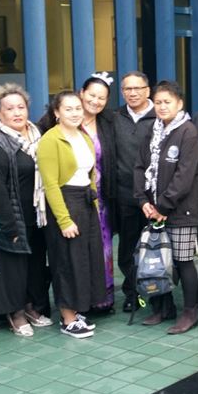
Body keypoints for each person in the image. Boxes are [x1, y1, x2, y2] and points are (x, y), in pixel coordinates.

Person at [0, 84, 53, 336]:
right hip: (11, 218)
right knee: (11, 268)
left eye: (20, 107)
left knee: (33, 266)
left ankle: (31, 306)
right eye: (9, 108)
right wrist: (8, 224)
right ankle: (15, 313)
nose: (16, 112)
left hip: (37, 215)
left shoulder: (38, 137)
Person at [135, 81, 198, 334]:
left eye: (167, 102)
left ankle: (190, 311)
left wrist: (162, 206)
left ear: (179, 104)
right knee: (157, 258)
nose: (162, 106)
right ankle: (162, 307)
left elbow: (184, 177)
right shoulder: (152, 131)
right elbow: (140, 167)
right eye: (158, 102)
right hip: (153, 208)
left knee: (183, 261)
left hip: (181, 211)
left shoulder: (188, 132)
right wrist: (143, 200)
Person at [37, 91, 107, 338]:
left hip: (86, 203)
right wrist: (64, 220)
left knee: (85, 259)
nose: (75, 113)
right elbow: (51, 184)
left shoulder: (83, 136)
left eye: (78, 108)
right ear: (57, 112)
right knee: (66, 261)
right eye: (68, 109)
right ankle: (67, 319)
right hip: (65, 203)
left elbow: (91, 176)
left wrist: (94, 207)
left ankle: (77, 311)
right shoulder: (50, 140)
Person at [113, 71, 156, 313]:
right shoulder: (114, 117)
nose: (132, 93)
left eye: (137, 88)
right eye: (127, 89)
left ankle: (160, 294)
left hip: (155, 198)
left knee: (157, 248)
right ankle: (131, 293)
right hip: (125, 196)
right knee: (128, 249)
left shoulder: (159, 114)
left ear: (147, 90)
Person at [79, 72, 118, 313]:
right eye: (92, 95)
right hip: (75, 197)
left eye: (101, 98)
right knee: (81, 249)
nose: (95, 101)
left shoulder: (109, 122)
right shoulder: (62, 117)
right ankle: (82, 297)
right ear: (81, 93)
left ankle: (103, 298)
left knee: (104, 247)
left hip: (103, 197)